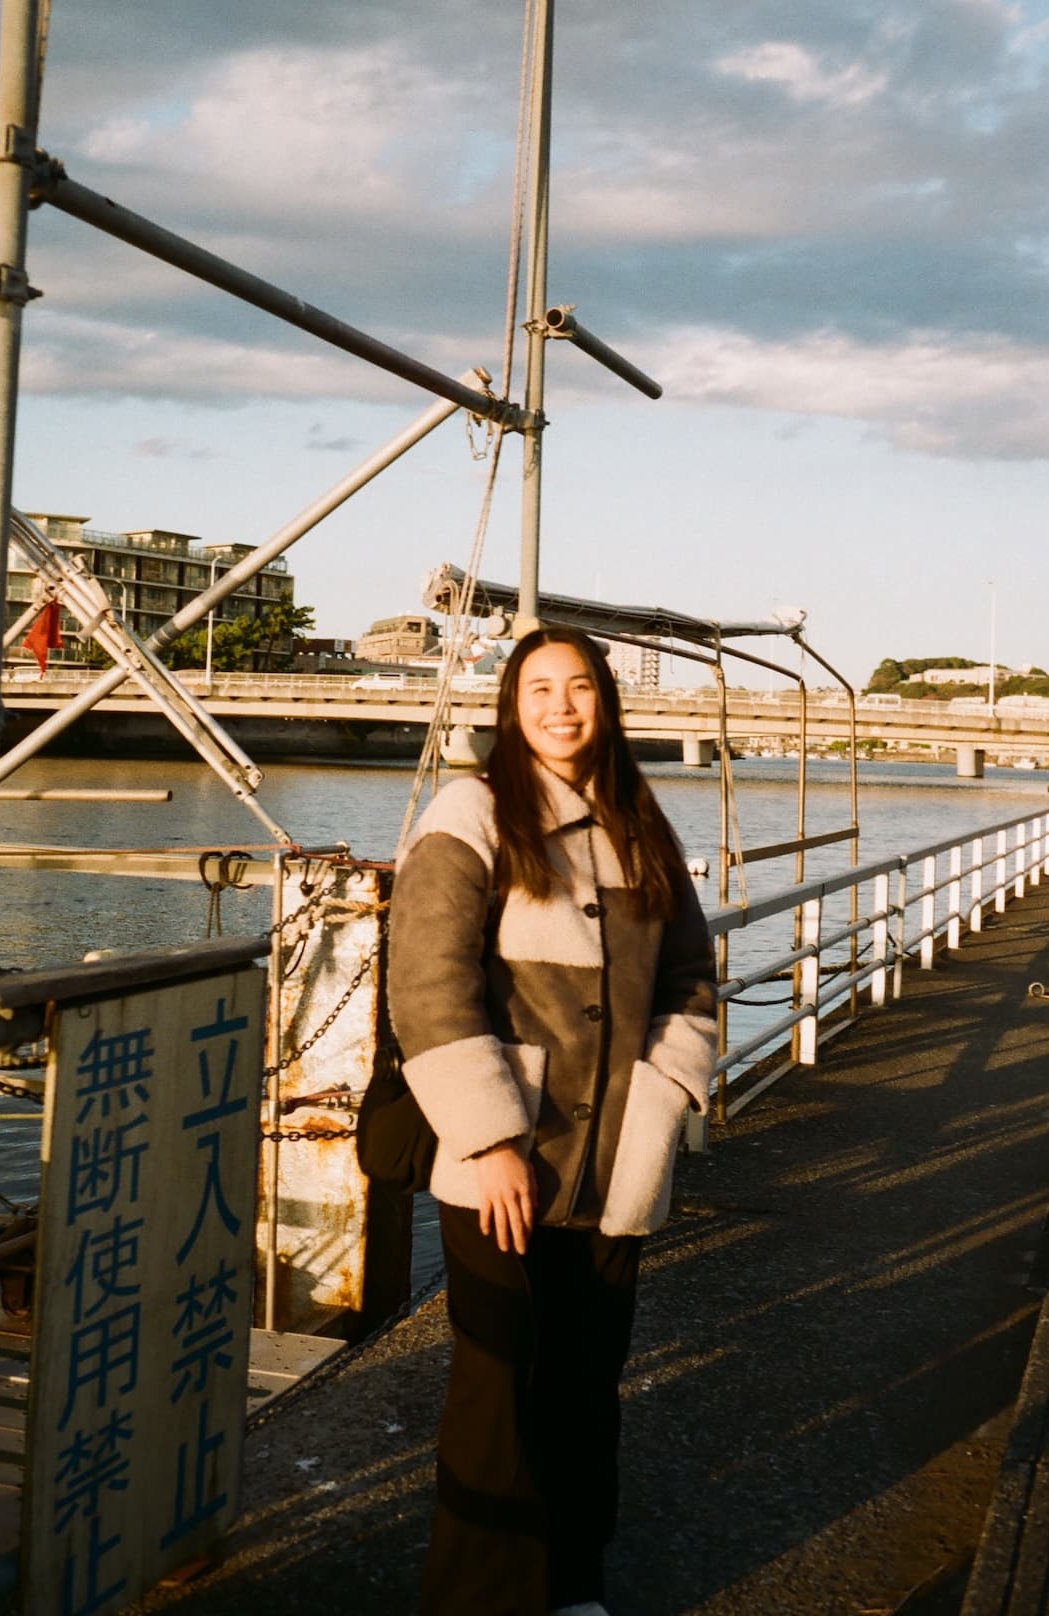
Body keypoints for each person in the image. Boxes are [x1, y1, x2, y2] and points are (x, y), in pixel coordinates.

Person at [388, 625, 718, 1616]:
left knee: (585, 1384)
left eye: (579, 689)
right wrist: (487, 1139)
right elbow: (427, 984)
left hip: (618, 1157)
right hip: (507, 1161)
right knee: (497, 1392)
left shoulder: (641, 821)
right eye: (538, 689)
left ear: (606, 704)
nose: (560, 708)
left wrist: (663, 1096)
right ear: (510, 704)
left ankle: (573, 1580)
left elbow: (691, 976)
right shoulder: (473, 810)